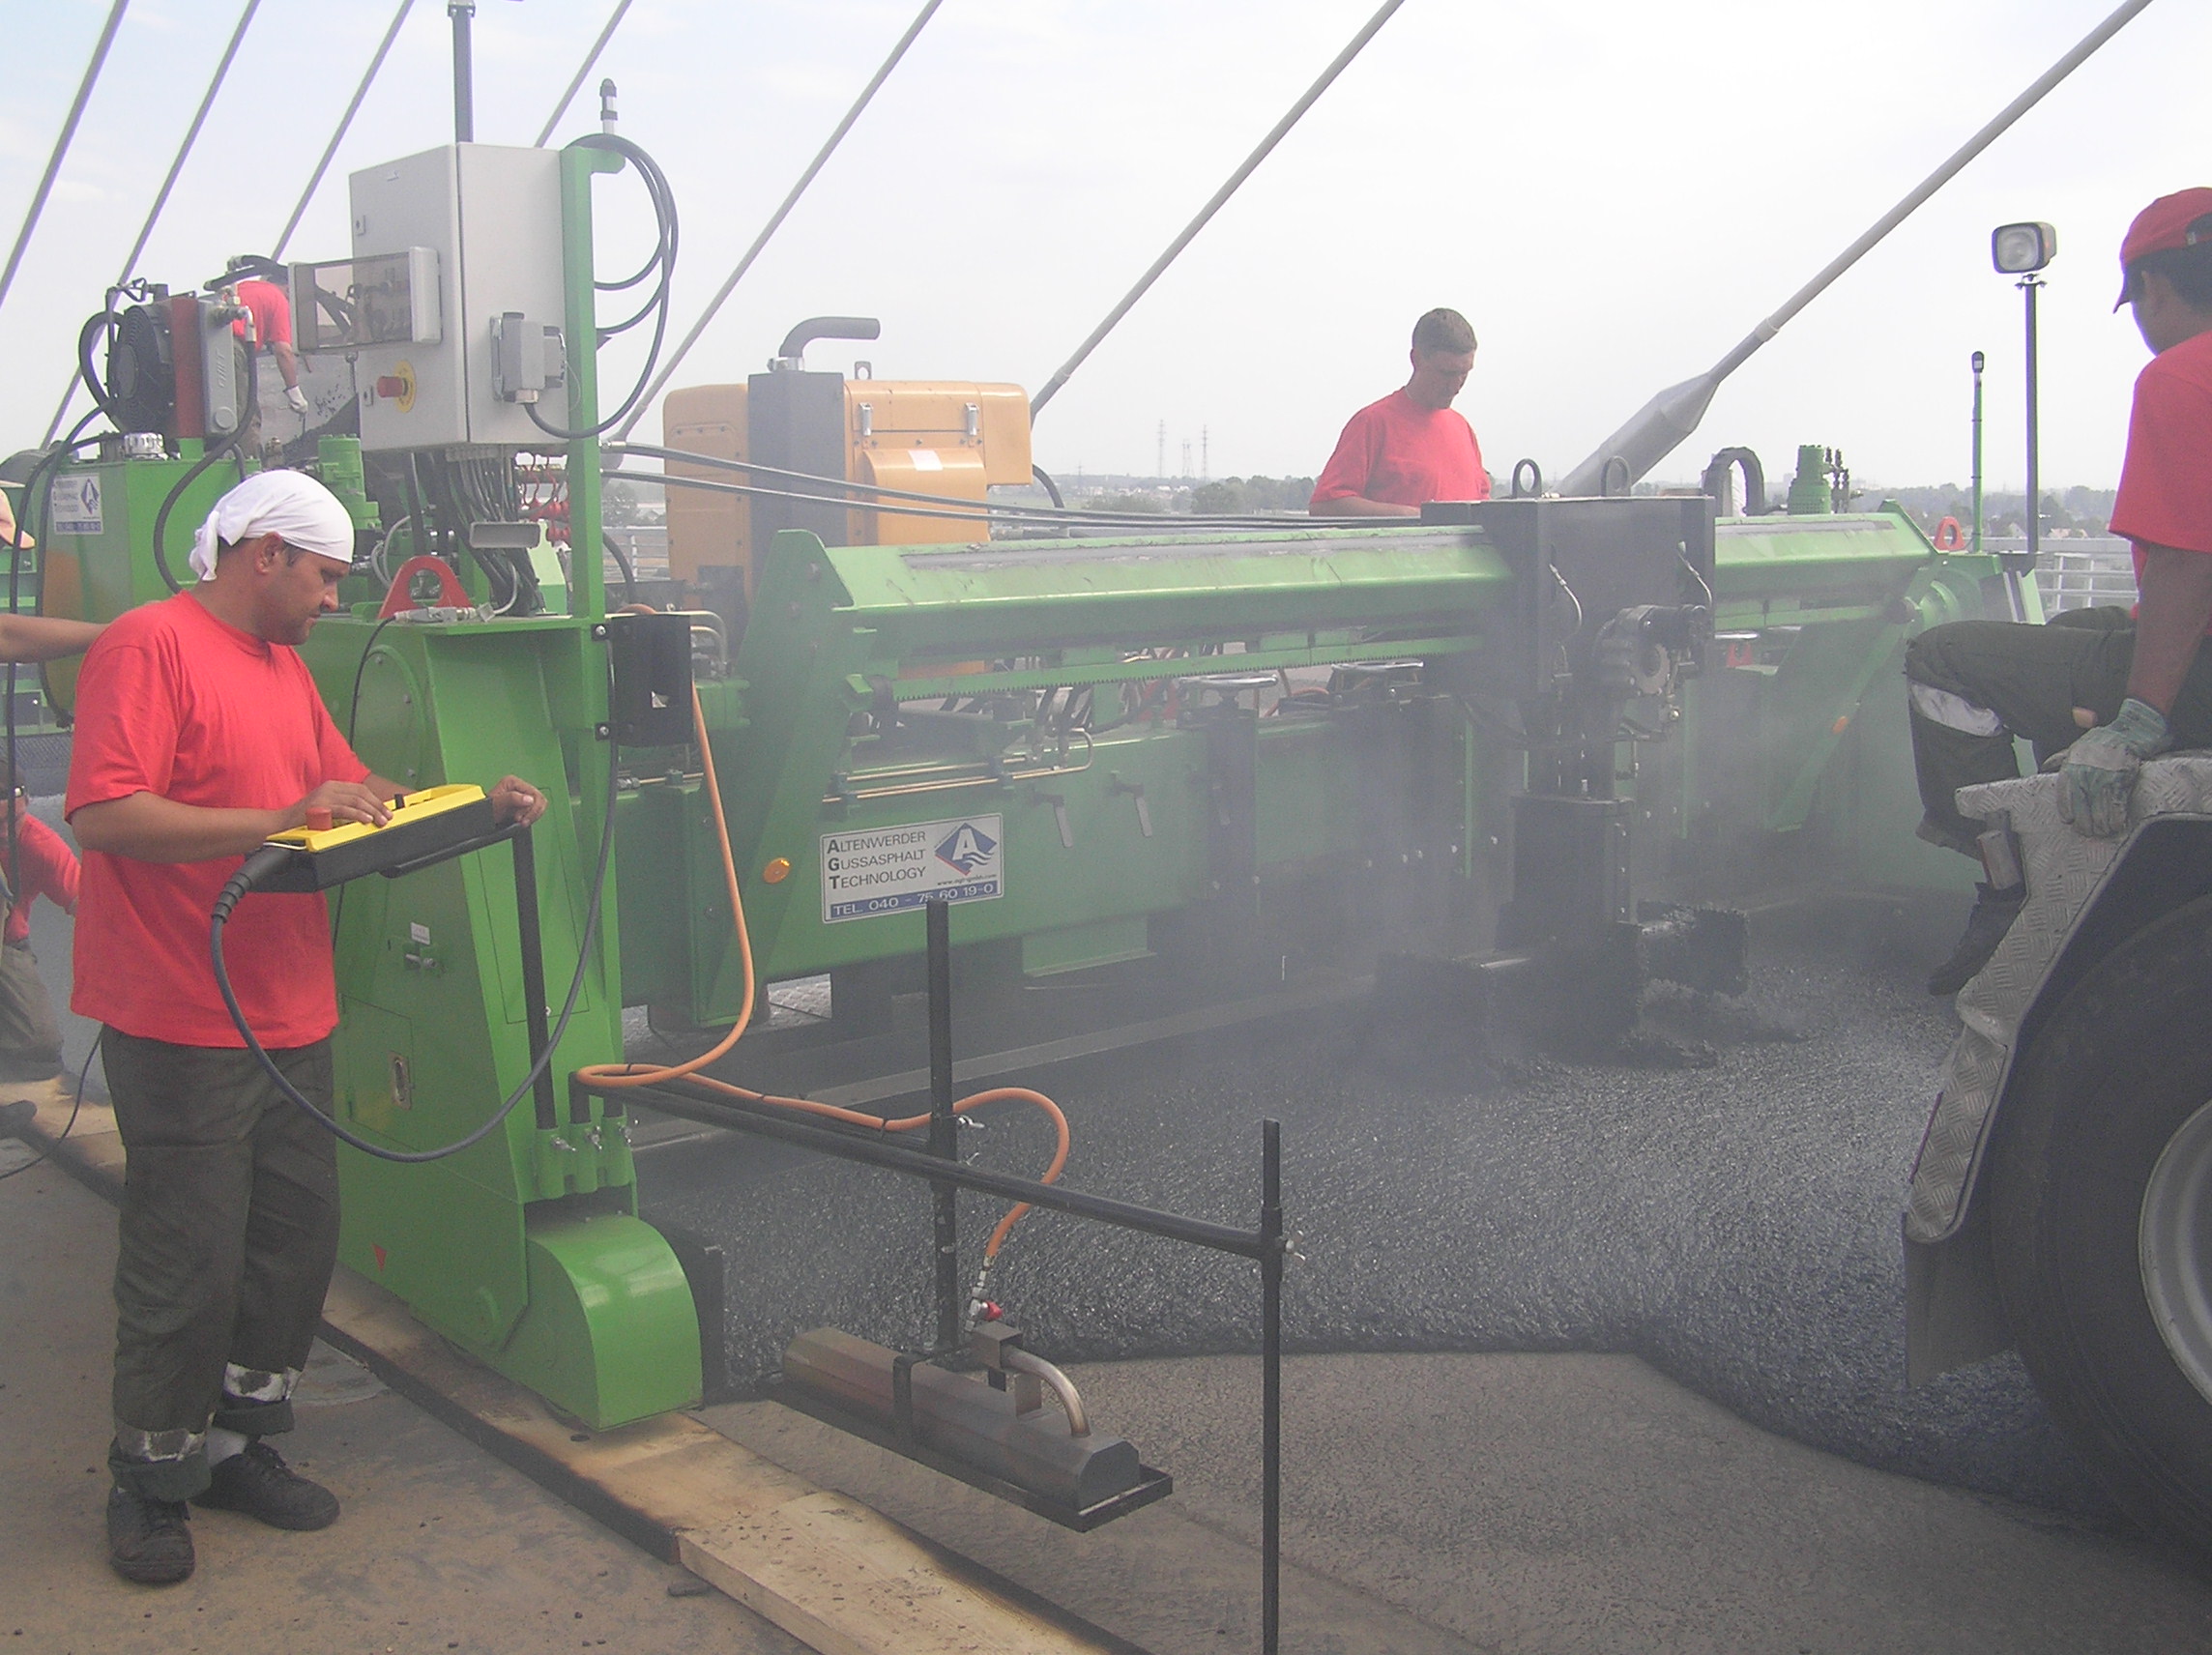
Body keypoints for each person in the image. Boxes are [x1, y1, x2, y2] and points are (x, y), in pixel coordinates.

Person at [67, 470, 547, 1585]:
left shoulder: (279, 667)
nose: (334, 598)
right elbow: (101, 812)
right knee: (186, 1258)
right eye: (327, 576)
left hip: (289, 1012)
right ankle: (149, 1475)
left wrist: (470, 806)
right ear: (266, 552)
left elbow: (343, 788)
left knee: (289, 1247)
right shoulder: (149, 646)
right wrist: (277, 817)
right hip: (182, 1014)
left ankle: (237, 1444)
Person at [1906, 187, 2212, 995]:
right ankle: (2080, 852)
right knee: (2076, 625)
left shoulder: (2184, 378)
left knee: (1942, 658)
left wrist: (2140, 720)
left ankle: (2011, 885)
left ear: (2153, 285)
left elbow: (2187, 564)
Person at [1309, 307, 1491, 517]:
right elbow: (1325, 506)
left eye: (1464, 373)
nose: (1456, 385)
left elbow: (1483, 507)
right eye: (1447, 373)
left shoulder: (1463, 429)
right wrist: (1411, 516)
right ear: (1417, 359)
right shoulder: (1372, 423)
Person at [0, 759, 79, 1080]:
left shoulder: (42, 847)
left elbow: (84, 904)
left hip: (9, 946)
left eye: (13, 820)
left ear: (27, 804)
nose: (5, 833)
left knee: (40, 1043)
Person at [212, 256, 309, 450]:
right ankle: (249, 466)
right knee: (246, 414)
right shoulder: (278, 299)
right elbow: (283, 352)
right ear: (289, 289)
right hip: (231, 350)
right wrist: (294, 392)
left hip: (207, 345)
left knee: (216, 412)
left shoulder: (245, 287)